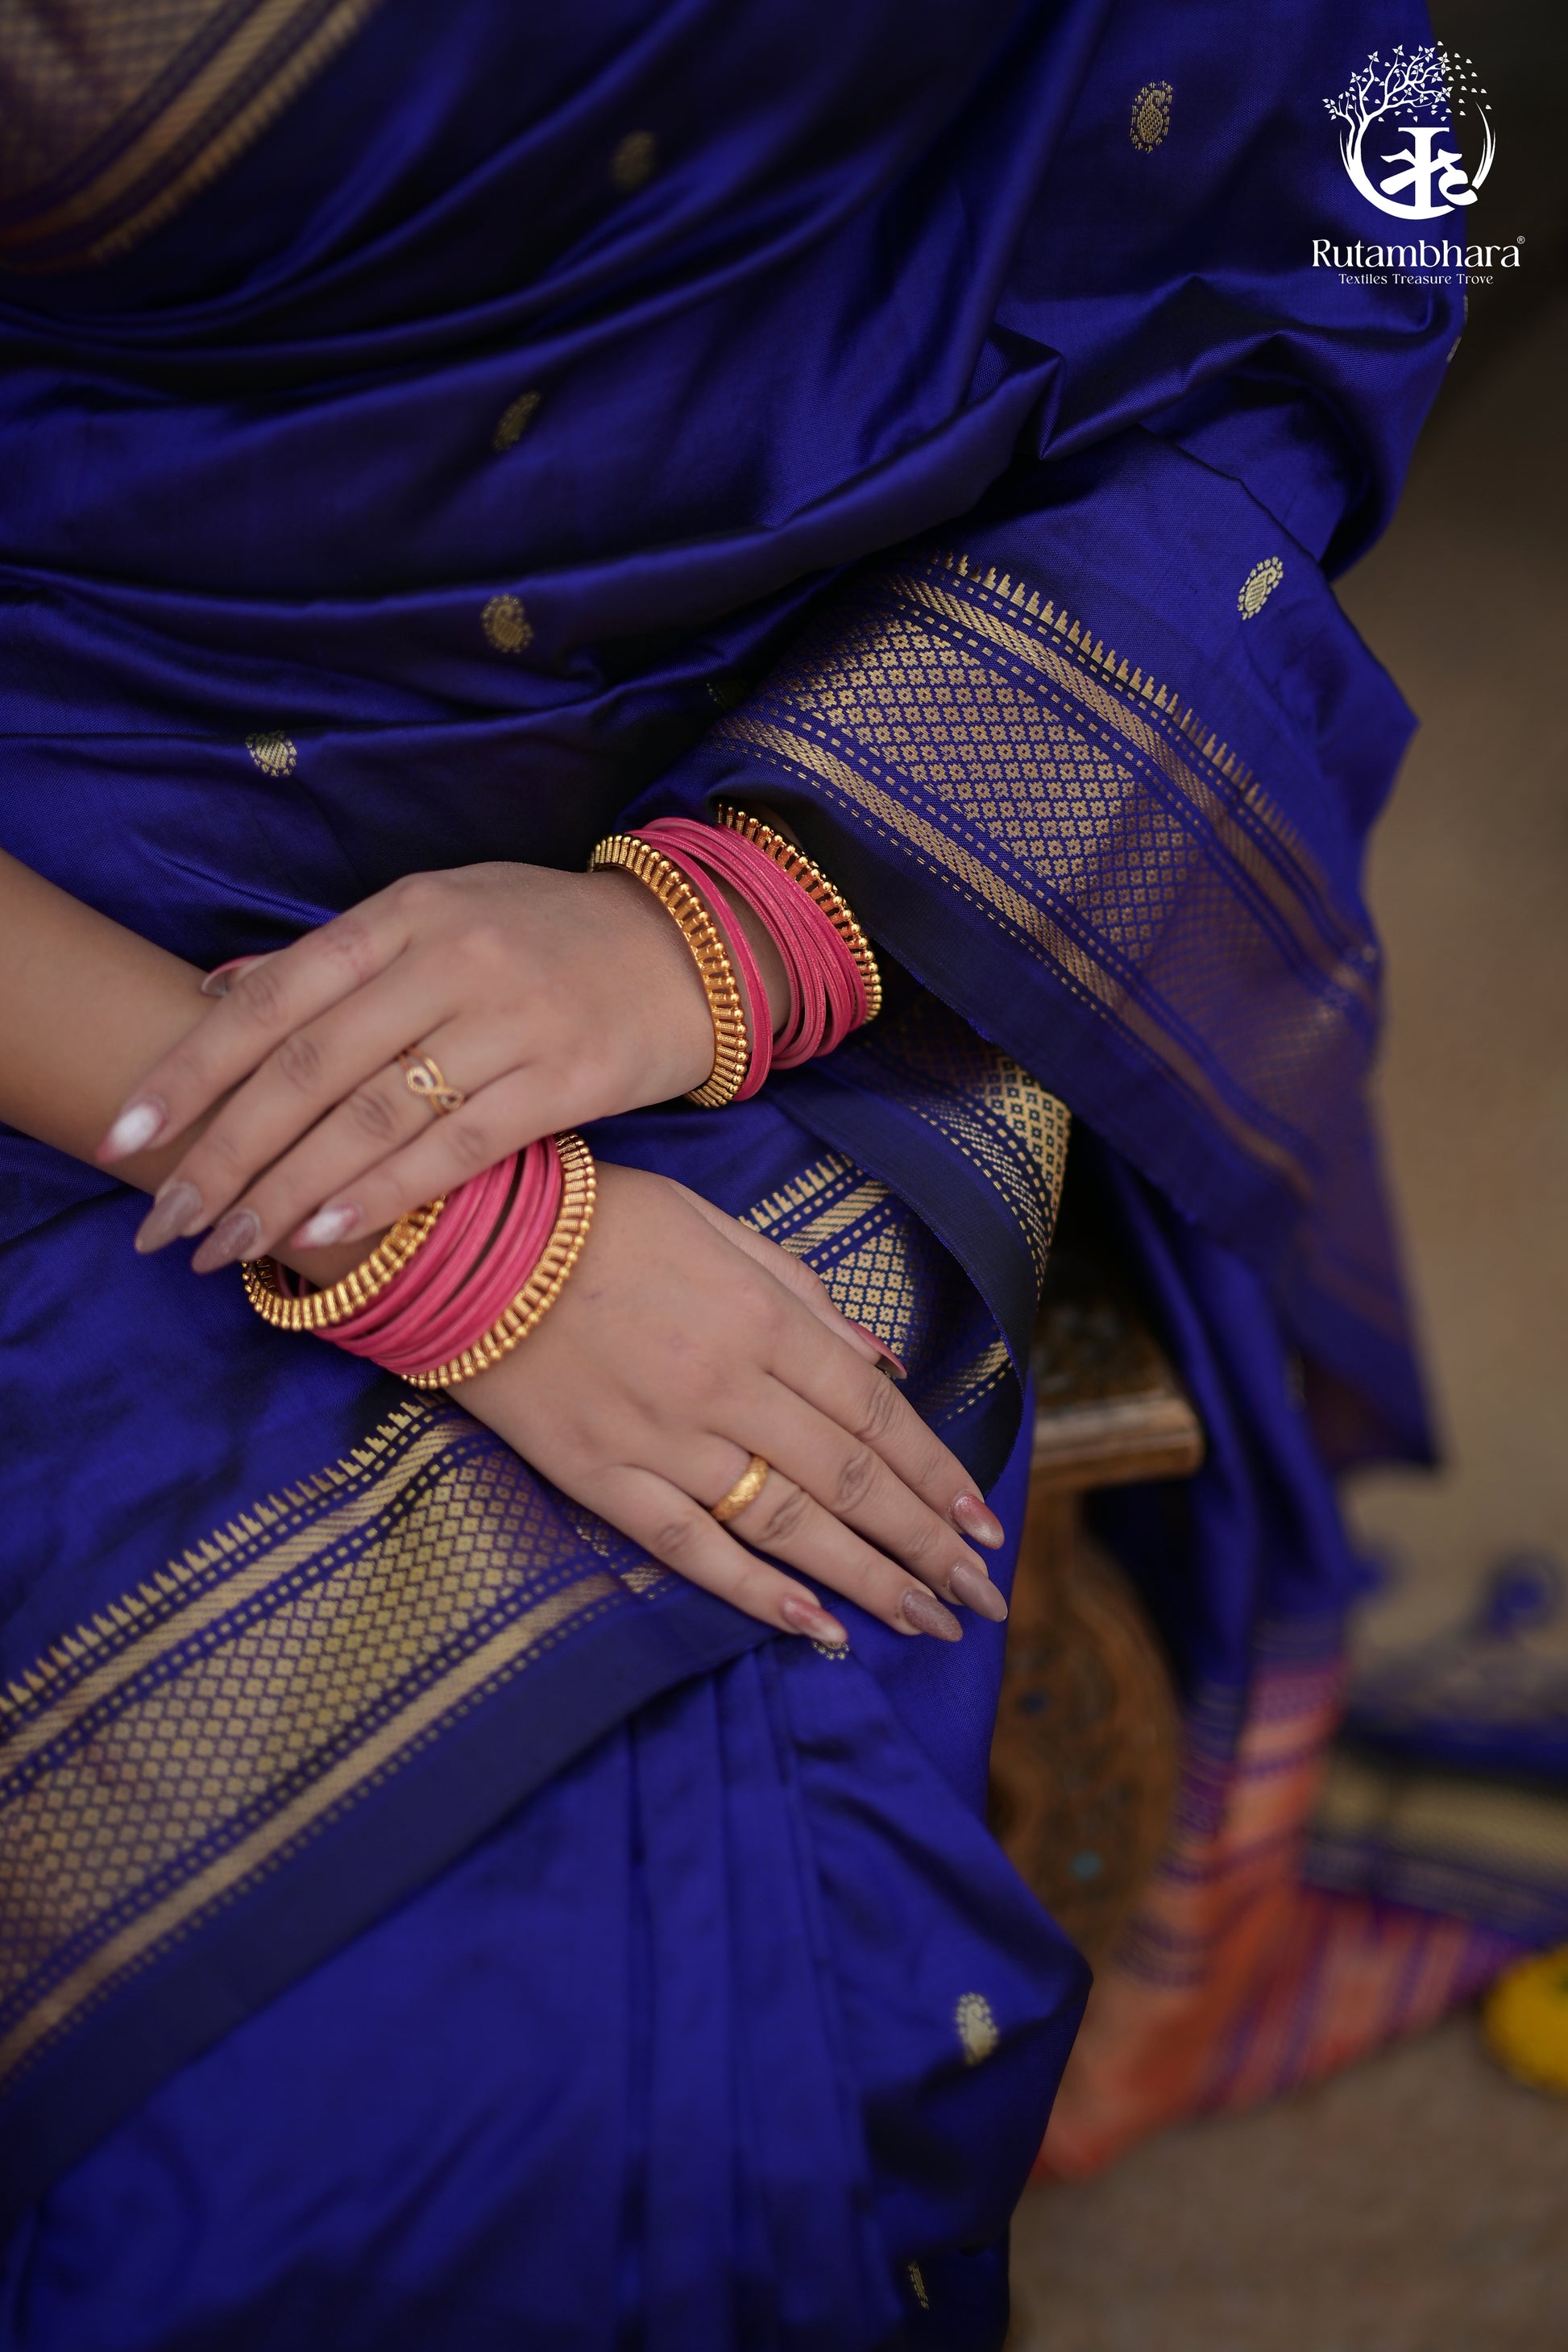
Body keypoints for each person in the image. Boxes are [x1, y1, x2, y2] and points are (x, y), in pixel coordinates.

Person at [0, 2, 1506, 2344]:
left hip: (837, 778)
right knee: (348, 2091)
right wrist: (418, 1219)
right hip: (65, 896)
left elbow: (1374, 205)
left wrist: (741, 926)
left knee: (603, 2034)